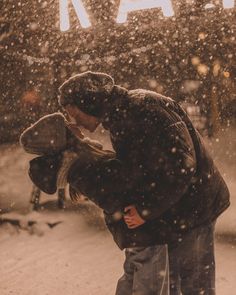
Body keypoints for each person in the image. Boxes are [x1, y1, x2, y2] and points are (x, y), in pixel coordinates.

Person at [57, 71, 230, 295]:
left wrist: (145, 211)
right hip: (179, 205)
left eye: (74, 114)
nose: (74, 121)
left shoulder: (141, 111)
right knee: (173, 281)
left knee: (193, 285)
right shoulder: (124, 114)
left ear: (89, 104)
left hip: (194, 206)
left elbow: (181, 168)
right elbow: (138, 167)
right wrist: (81, 148)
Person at [20, 112, 170, 295]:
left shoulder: (84, 160)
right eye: (67, 125)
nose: (73, 123)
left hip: (135, 230)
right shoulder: (84, 165)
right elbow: (117, 188)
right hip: (141, 228)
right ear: (64, 139)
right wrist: (141, 211)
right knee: (147, 282)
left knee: (134, 276)